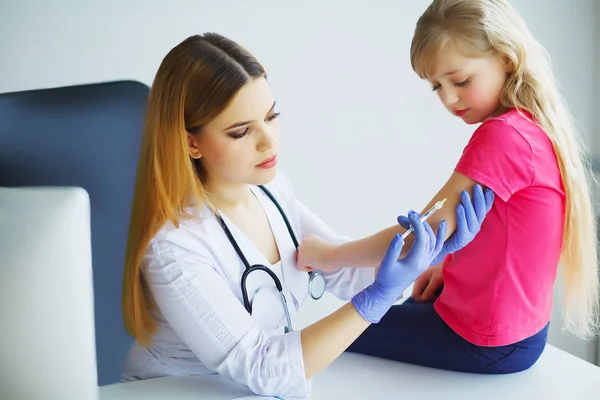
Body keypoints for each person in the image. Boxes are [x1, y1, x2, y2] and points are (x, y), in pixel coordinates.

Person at [119, 33, 492, 397]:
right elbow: (264, 368)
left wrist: (427, 255)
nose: (269, 140)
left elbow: (344, 272)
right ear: (191, 142)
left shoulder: (271, 189)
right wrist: (378, 297)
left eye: (271, 116)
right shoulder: (174, 248)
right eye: (240, 132)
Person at [297, 0, 599, 374]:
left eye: (460, 81)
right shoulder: (531, 125)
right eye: (436, 86)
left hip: (486, 340)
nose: (448, 99)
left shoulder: (502, 136)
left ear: (506, 58)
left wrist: (328, 255)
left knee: (333, 336)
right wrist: (448, 267)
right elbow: (506, 234)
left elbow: (419, 236)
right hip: (514, 332)